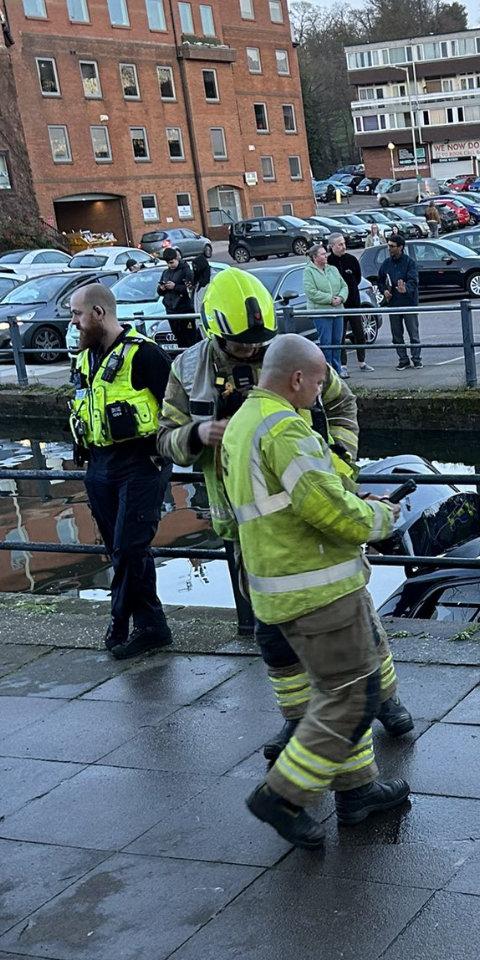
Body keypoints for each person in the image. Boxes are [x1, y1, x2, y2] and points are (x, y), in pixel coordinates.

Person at [156, 266, 414, 762]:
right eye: (241, 345)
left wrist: (339, 460)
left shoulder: (284, 354)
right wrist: (195, 437)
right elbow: (166, 438)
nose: (252, 351)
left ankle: (384, 701)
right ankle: (298, 722)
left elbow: (341, 402)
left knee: (354, 617)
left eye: (259, 342)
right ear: (215, 331)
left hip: (310, 514)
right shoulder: (187, 369)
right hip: (243, 522)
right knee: (271, 634)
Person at [227, 333, 412, 849]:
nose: (323, 390)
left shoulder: (244, 422)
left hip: (276, 584)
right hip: (318, 589)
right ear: (297, 379)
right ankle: (283, 796)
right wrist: (380, 518)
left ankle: (356, 794)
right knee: (353, 696)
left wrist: (348, 496)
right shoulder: (285, 428)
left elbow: (295, 499)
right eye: (320, 380)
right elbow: (326, 509)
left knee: (341, 690)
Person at [68, 282, 174, 660]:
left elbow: (176, 410)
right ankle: (153, 626)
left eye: (78, 314)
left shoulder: (144, 355)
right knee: (122, 551)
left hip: (141, 462)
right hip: (98, 464)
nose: (73, 323)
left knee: (130, 546)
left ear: (99, 313)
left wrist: (161, 454)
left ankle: (119, 623)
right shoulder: (84, 358)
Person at [327, 234, 372, 373]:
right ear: (332, 246)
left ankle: (362, 362)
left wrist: (350, 291)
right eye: (340, 244)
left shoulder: (351, 259)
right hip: (338, 305)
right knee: (340, 336)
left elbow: (357, 278)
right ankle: (343, 365)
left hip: (353, 302)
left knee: (359, 333)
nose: (343, 247)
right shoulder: (328, 262)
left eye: (344, 243)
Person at [379, 235, 421, 370]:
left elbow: (414, 281)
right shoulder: (386, 263)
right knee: (397, 335)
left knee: (413, 334)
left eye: (392, 246)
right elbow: (380, 280)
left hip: (408, 303)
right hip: (393, 303)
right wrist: (384, 291)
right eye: (388, 246)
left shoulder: (410, 263)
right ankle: (403, 359)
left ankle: (416, 359)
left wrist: (406, 289)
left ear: (400, 248)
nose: (389, 249)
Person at [303, 243, 345, 375]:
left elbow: (344, 286)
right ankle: (328, 371)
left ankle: (338, 369)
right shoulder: (308, 272)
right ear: (315, 257)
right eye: (322, 254)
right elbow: (311, 292)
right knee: (326, 343)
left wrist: (340, 298)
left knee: (337, 342)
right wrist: (329, 299)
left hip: (338, 311)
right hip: (321, 312)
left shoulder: (332, 269)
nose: (325, 256)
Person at [157, 248, 198, 348]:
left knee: (189, 338)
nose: (170, 265)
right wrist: (161, 288)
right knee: (178, 338)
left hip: (185, 309)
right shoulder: (166, 273)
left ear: (177, 258)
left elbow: (191, 290)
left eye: (171, 262)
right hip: (171, 310)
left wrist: (175, 287)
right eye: (167, 263)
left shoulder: (186, 271)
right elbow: (160, 292)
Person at [189, 248, 212, 313]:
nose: (195, 270)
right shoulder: (197, 282)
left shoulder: (212, 279)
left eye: (196, 267)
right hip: (198, 315)